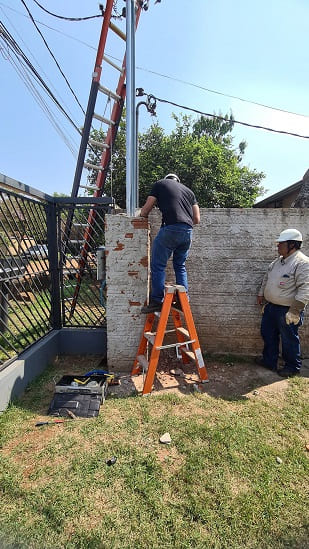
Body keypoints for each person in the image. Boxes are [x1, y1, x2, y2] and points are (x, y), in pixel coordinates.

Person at [140, 173, 200, 313]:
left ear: (167, 179)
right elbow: (196, 218)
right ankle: (183, 300)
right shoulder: (189, 191)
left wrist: (141, 216)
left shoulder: (160, 184)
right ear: (178, 181)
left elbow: (147, 208)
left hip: (170, 228)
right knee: (180, 265)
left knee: (158, 265)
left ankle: (157, 301)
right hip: (187, 232)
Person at [256, 228, 309, 377]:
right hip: (271, 307)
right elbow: (267, 278)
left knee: (289, 339)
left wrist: (295, 311)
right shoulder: (278, 262)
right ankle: (269, 361)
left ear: (292, 245)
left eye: (281, 243)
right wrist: (261, 294)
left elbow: (306, 288)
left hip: (287, 310)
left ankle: (292, 367)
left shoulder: (302, 263)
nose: (277, 246)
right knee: (268, 335)